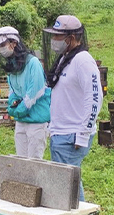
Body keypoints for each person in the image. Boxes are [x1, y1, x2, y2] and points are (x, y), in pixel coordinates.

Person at [43, 15, 102, 201]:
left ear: (71, 38)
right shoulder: (65, 58)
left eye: (58, 36)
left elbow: (95, 97)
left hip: (72, 135)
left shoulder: (83, 60)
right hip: (60, 132)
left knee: (68, 185)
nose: (54, 40)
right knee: (67, 184)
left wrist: (83, 133)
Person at [0, 26, 50, 158]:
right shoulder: (12, 65)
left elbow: (36, 90)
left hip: (36, 120)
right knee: (20, 160)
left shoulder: (33, 63)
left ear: (14, 43)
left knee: (33, 161)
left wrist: (23, 107)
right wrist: (12, 102)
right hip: (21, 120)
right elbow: (13, 88)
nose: (0, 48)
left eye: (2, 44)